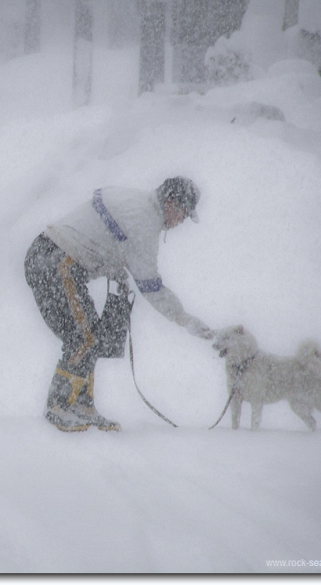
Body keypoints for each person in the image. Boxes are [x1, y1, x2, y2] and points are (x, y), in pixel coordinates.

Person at [24, 177, 213, 432]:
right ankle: (58, 407)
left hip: (54, 257)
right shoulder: (144, 220)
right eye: (183, 214)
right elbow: (151, 286)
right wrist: (185, 319)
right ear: (170, 203)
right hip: (57, 261)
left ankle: (81, 405)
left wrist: (116, 272)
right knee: (84, 338)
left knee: (91, 335)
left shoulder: (136, 202)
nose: (181, 222)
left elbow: (104, 235)